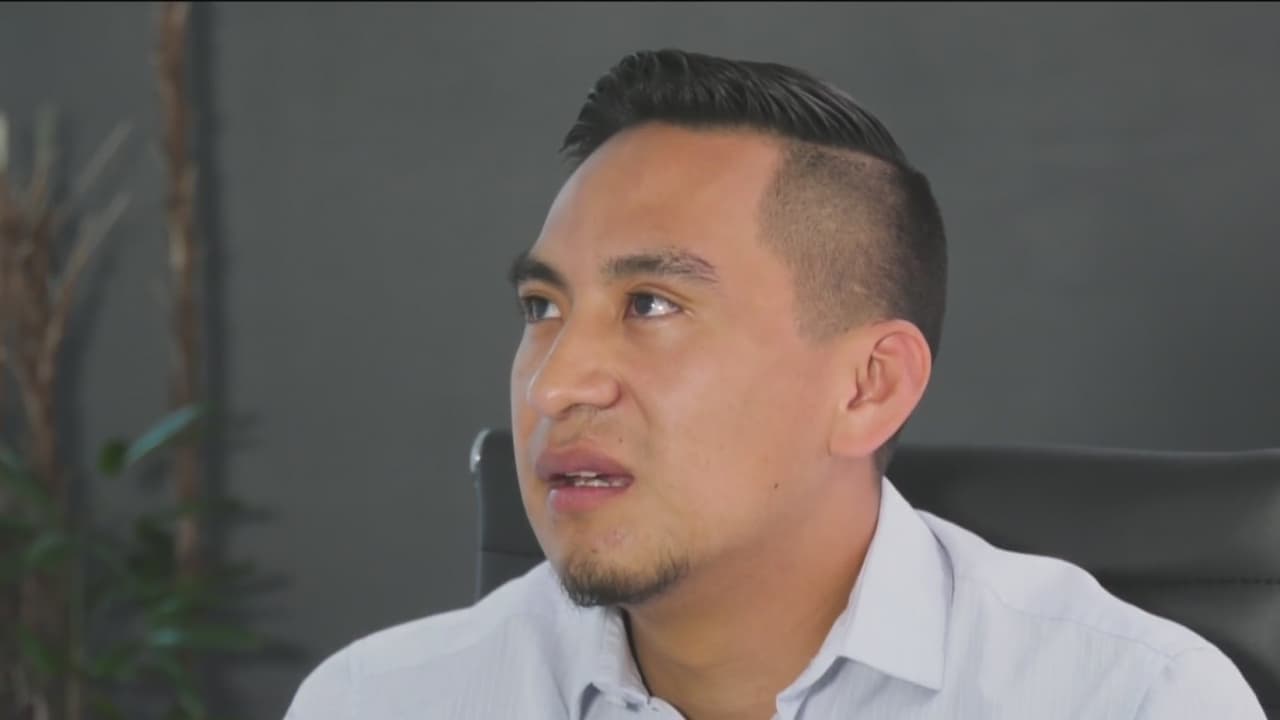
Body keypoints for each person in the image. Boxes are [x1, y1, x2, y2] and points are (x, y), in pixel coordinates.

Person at [285, 49, 1264, 719]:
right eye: (542, 307)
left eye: (651, 304)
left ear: (867, 387)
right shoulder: (378, 701)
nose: (553, 386)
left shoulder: (1129, 700)